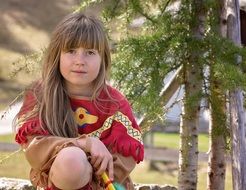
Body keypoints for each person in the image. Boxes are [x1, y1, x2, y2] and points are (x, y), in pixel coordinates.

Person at [14, 12, 144, 190]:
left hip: (103, 185)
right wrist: (86, 144)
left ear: (103, 58)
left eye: (90, 52)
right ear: (57, 54)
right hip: (57, 181)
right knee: (72, 160)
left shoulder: (115, 102)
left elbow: (124, 159)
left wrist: (93, 172)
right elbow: (34, 149)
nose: (80, 61)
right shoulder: (40, 94)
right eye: (71, 51)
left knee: (74, 159)